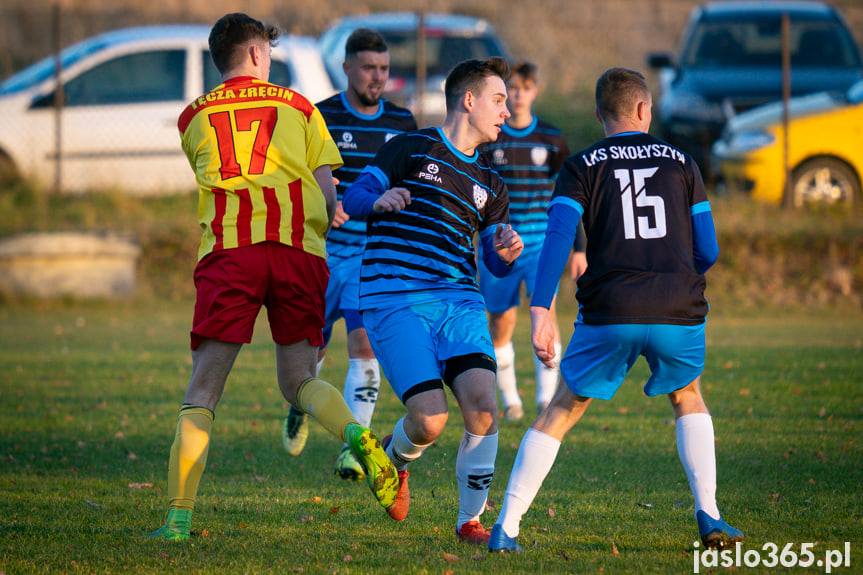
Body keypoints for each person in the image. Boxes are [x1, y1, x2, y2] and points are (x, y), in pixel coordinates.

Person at [146, 13, 399, 542]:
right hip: (296, 253)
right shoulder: (301, 107)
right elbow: (330, 196)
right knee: (299, 381)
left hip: (230, 256)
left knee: (204, 390)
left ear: (221, 60)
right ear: (260, 55)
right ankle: (359, 436)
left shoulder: (191, 117)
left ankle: (176, 519)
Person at [487, 67, 743, 553]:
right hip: (676, 306)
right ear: (645, 110)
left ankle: (507, 526)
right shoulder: (683, 162)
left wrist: (540, 310)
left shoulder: (582, 164)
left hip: (611, 308)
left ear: (600, 114)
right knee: (688, 395)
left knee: (562, 407)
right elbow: (707, 249)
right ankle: (709, 514)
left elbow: (560, 238)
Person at [341, 56, 524, 545]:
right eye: (499, 99)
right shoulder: (410, 148)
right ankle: (394, 459)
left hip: (459, 301)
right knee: (429, 420)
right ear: (468, 100)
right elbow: (355, 198)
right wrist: (377, 202)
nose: (508, 110)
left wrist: (506, 252)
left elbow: (495, 261)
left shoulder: (492, 184)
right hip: (394, 297)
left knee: (484, 406)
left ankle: (469, 522)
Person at [281, 28, 418, 482]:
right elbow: (295, 183)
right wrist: (327, 204)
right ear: (346, 69)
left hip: (370, 259)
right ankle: (298, 406)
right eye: (368, 68)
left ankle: (352, 446)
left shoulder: (402, 124)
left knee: (364, 348)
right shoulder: (320, 117)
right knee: (307, 357)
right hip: (320, 258)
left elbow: (414, 187)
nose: (377, 77)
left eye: (383, 68)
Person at [479, 61, 587, 422]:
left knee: (545, 317)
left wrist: (580, 248)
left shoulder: (552, 140)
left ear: (535, 91)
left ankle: (544, 399)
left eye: (525, 88)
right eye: (513, 89)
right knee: (501, 323)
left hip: (542, 246)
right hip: (501, 245)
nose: (519, 94)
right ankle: (510, 400)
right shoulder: (494, 136)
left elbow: (573, 198)